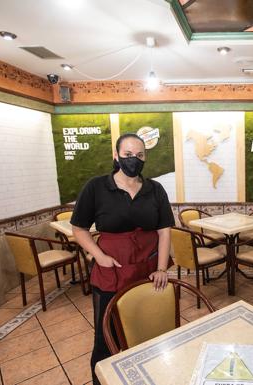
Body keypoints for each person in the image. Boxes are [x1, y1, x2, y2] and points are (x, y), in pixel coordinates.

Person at [70, 133, 175, 385]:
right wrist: (100, 256)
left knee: (148, 328)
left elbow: (164, 231)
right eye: (128, 155)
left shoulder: (155, 189)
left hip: (148, 270)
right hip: (111, 271)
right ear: (116, 156)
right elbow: (79, 229)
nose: (133, 160)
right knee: (106, 338)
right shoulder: (96, 187)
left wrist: (162, 268)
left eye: (139, 155)